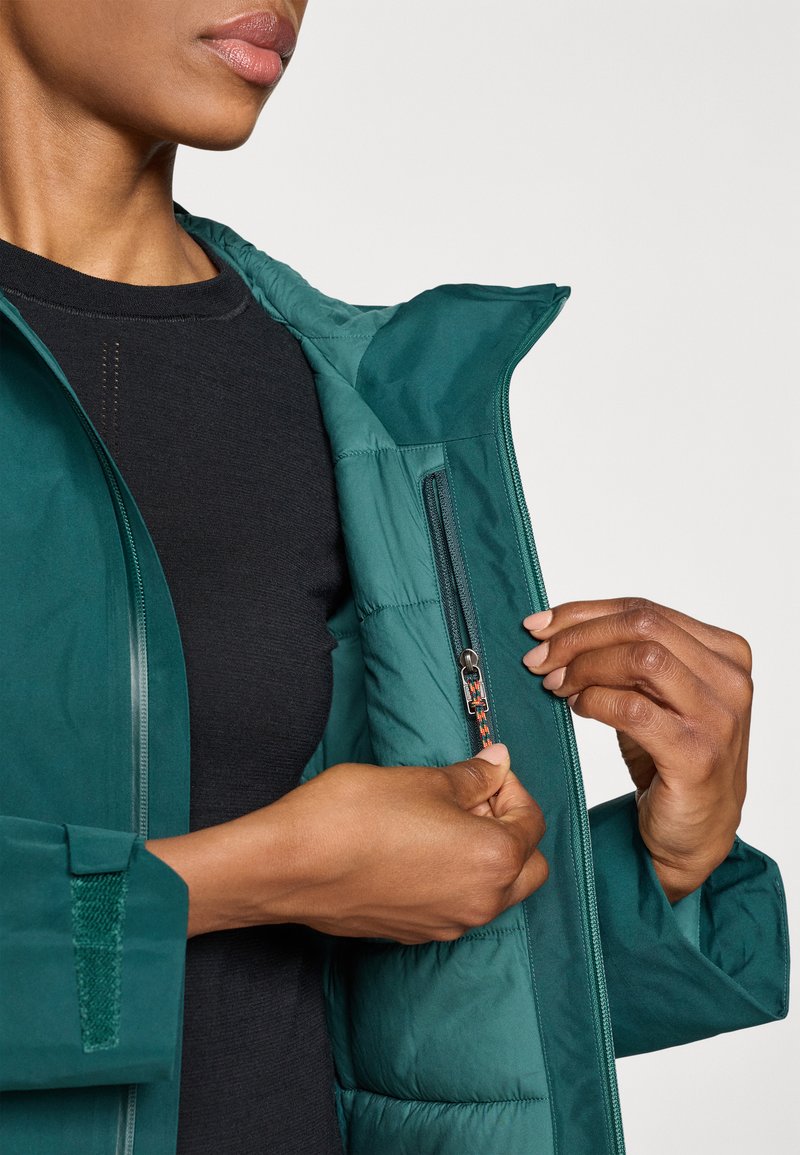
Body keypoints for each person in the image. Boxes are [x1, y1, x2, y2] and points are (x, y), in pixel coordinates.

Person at [0, 4, 788, 1155]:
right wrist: (251, 876)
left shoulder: (357, 399)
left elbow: (412, 1030)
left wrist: (667, 868)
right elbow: (294, 883)